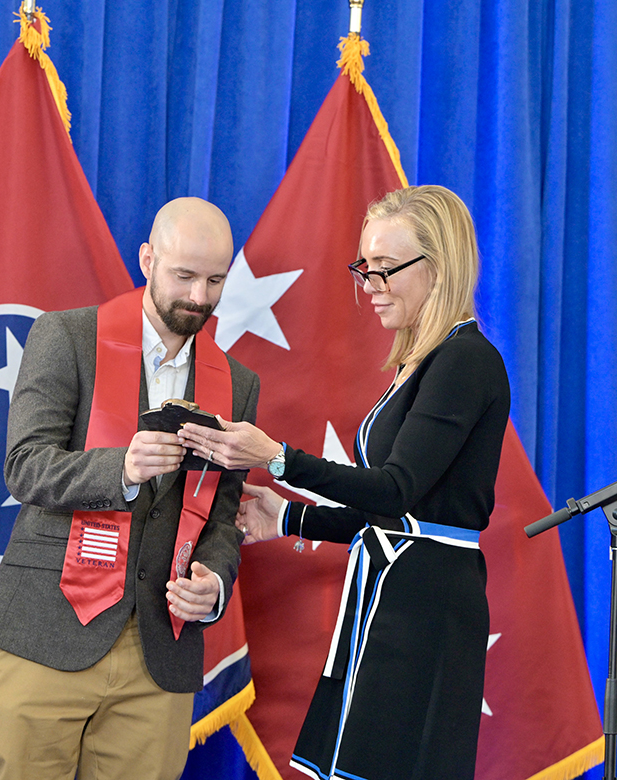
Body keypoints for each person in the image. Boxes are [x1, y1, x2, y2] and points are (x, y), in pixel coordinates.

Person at [179, 185, 510, 780]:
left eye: (386, 269)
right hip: (394, 596)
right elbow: (393, 516)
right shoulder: (425, 360)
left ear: (441, 266)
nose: (371, 286)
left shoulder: (465, 359)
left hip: (424, 609)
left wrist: (279, 457)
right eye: (365, 268)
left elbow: (394, 490)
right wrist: (286, 517)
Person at [0, 197, 260, 780]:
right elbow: (24, 466)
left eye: (215, 281)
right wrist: (120, 470)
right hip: (46, 631)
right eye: (184, 276)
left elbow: (222, 517)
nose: (199, 298)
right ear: (147, 259)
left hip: (161, 652)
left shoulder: (240, 384)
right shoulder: (67, 336)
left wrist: (215, 583)